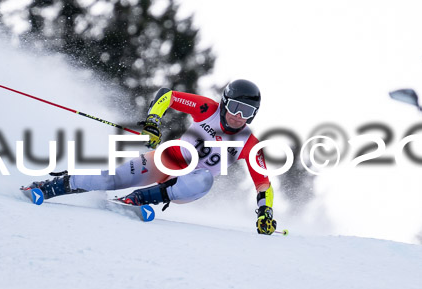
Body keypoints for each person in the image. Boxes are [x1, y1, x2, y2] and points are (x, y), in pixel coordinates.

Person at [23, 79, 278, 235]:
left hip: (188, 185)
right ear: (224, 103)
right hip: (168, 160)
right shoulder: (206, 108)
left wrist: (264, 212)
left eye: (247, 111)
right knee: (113, 177)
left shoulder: (248, 142)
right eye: (235, 107)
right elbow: (167, 96)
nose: (238, 116)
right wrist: (153, 122)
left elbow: (263, 182)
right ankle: (49, 187)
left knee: (204, 179)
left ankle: (139, 198)